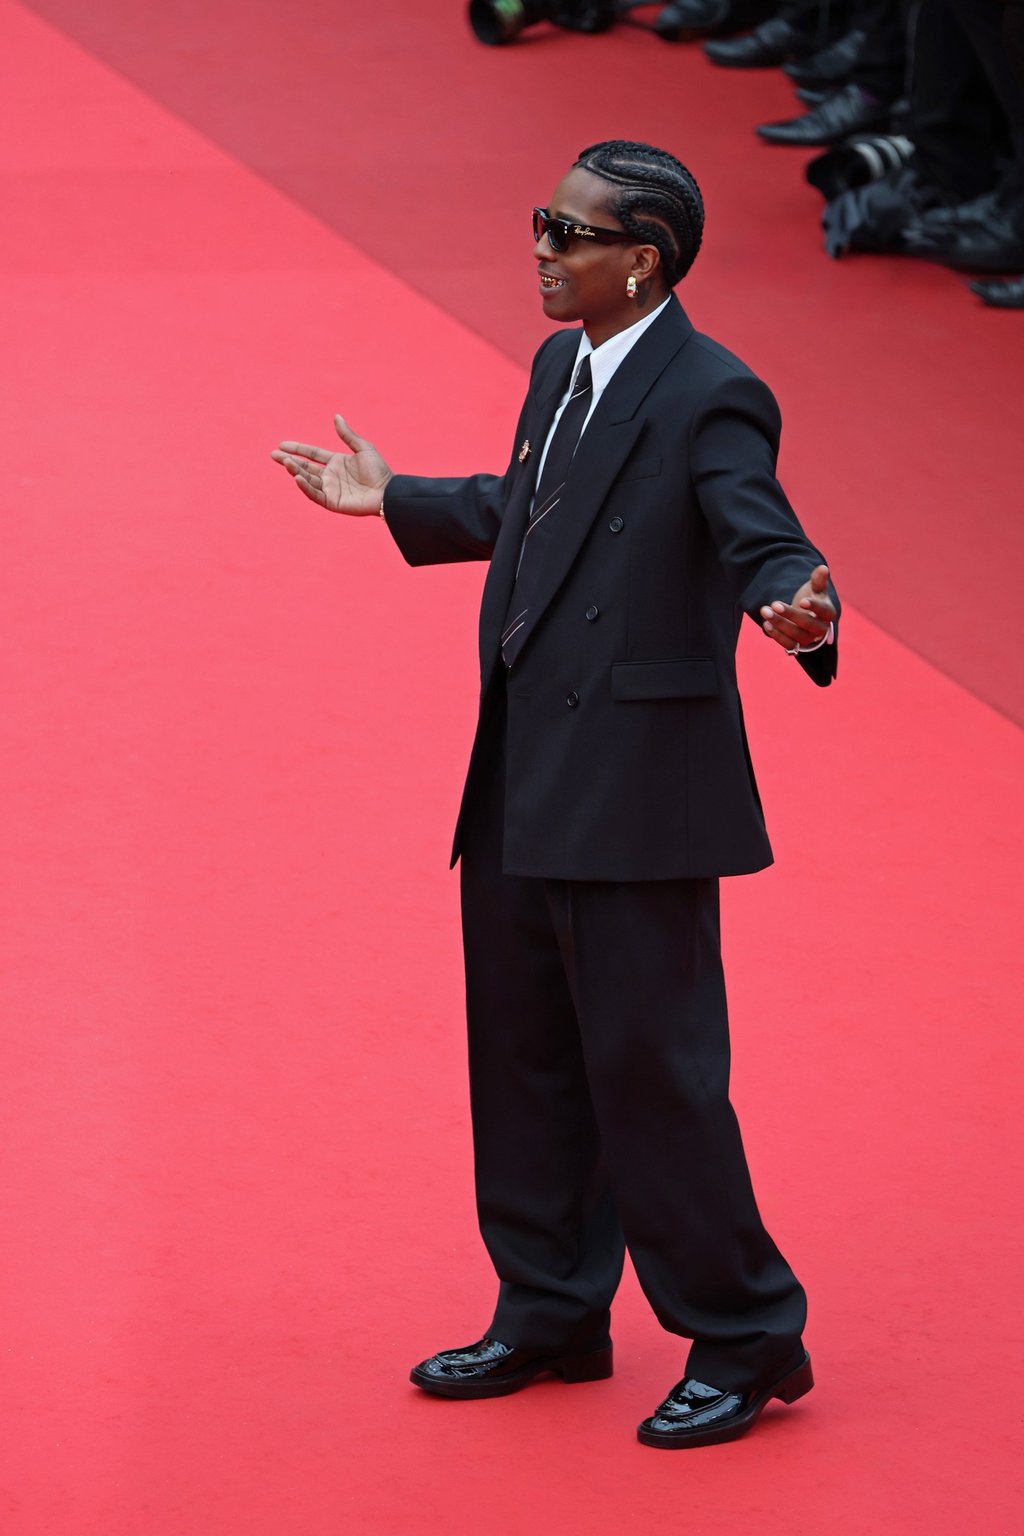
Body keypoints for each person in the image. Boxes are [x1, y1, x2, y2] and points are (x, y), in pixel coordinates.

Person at [272, 140, 839, 1450]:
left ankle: (746, 1332)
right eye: (543, 221)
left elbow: (762, 533)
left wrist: (799, 609)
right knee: (525, 1058)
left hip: (639, 800)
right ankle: (550, 1308)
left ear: (640, 257)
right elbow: (541, 508)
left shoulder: (714, 394)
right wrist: (392, 499)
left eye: (566, 231)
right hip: (527, 773)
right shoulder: (558, 365)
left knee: (655, 1074)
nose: (539, 245)